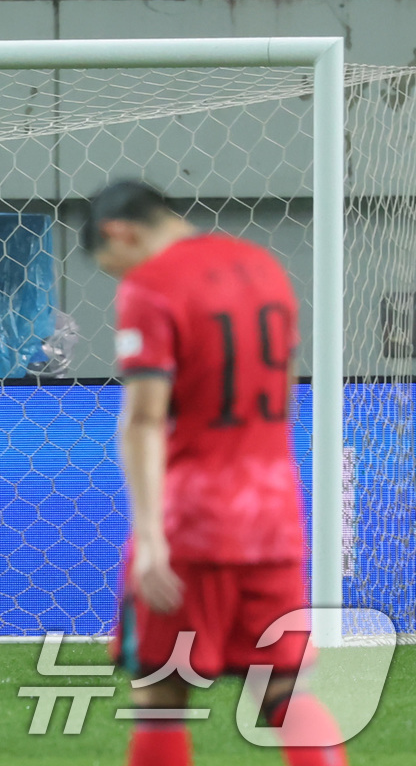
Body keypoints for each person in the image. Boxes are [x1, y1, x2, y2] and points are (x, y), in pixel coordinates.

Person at [85, 181, 348, 766]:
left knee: (159, 695)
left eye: (112, 267)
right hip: (273, 519)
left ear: (118, 233)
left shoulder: (151, 285)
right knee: (285, 694)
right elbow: (281, 395)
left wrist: (151, 536)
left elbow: (145, 419)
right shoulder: (263, 269)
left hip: (192, 523)